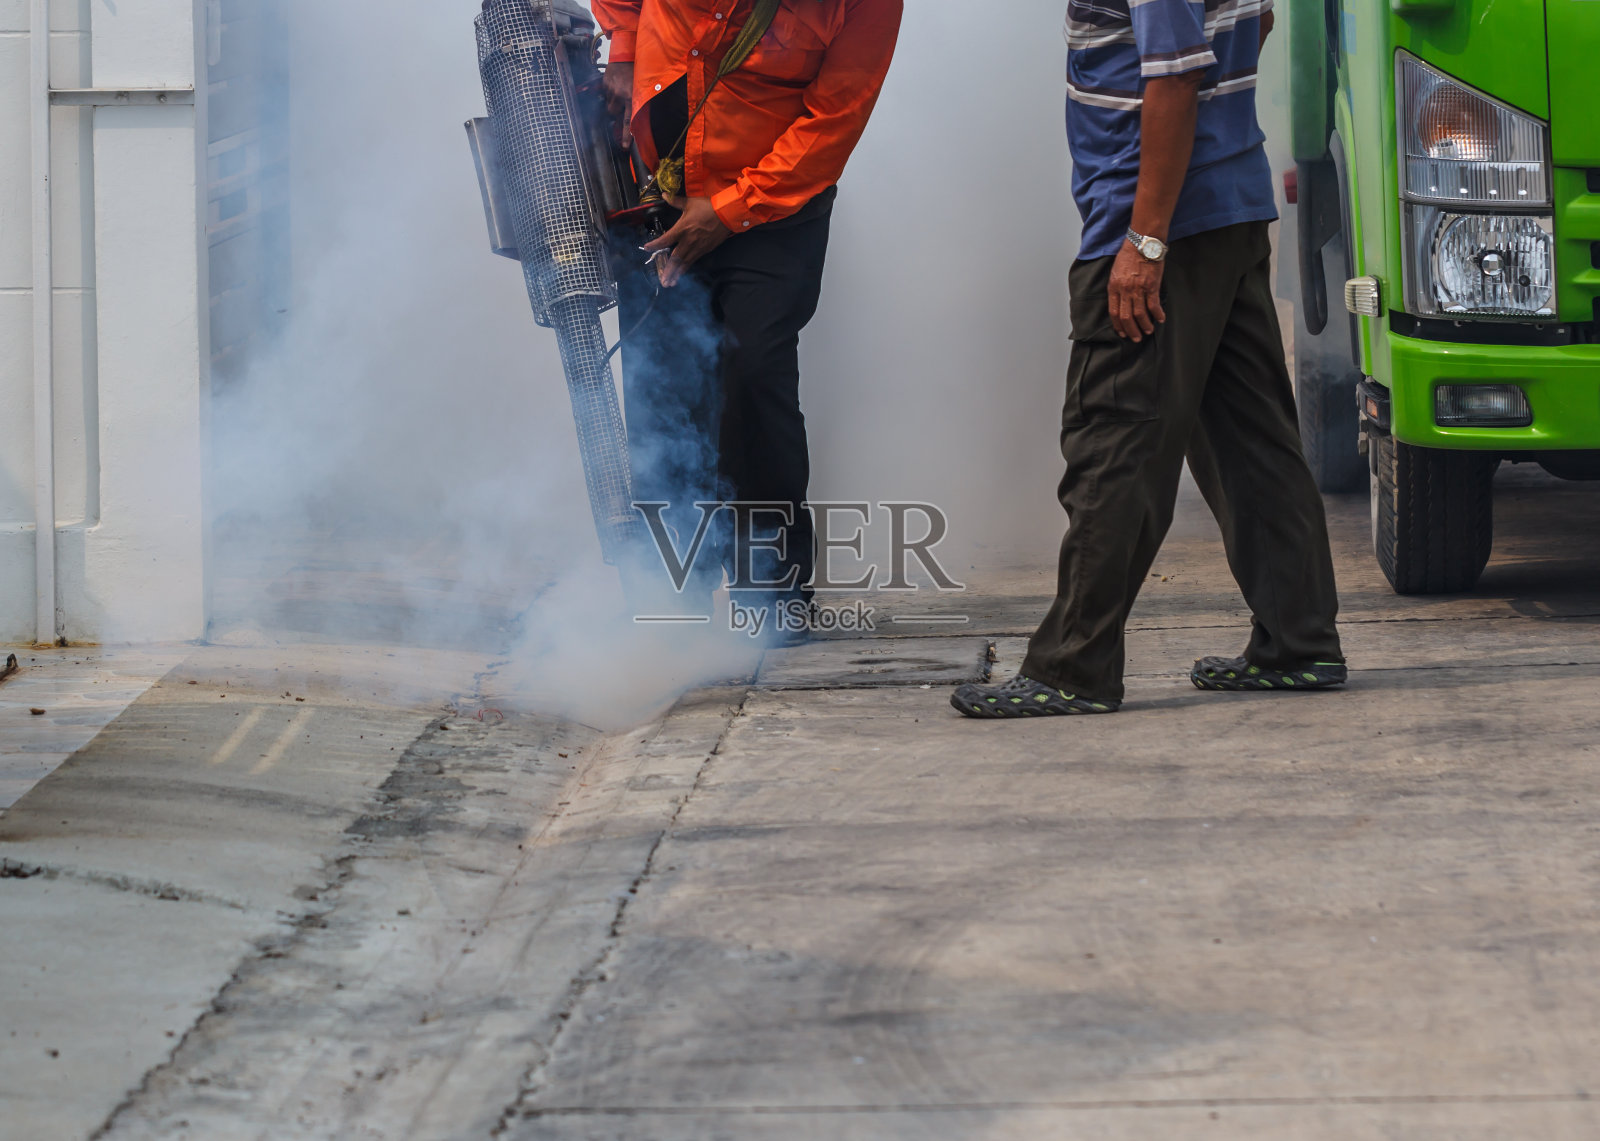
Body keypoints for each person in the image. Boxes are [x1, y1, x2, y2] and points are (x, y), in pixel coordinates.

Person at [953, 0, 1346, 719]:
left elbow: (1174, 78)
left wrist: (1146, 241)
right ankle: (1299, 640)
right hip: (1228, 203)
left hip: (1163, 220)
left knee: (1116, 439)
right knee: (1250, 439)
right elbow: (1254, 24)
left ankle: (1073, 664)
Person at [594, 0, 903, 638]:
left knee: (755, 371)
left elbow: (837, 115)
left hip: (776, 205)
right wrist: (623, 48)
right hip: (659, 189)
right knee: (662, 385)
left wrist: (733, 208)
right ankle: (672, 596)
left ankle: (773, 593)